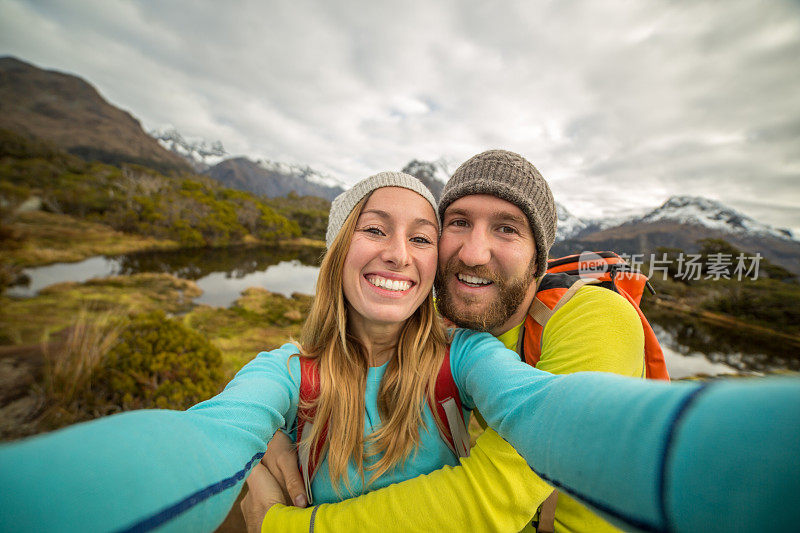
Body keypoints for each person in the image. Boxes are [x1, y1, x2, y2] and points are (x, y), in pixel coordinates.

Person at [0, 172, 799, 533]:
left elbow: (543, 409)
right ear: (337, 250)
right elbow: (206, 436)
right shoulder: (287, 369)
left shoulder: (472, 358)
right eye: (375, 228)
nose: (402, 252)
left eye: (421, 234)